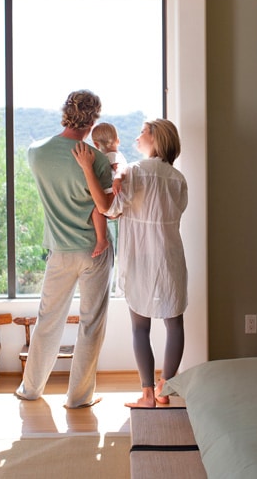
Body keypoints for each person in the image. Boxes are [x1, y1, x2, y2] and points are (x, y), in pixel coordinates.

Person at [72, 119, 188, 408]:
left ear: (156, 138)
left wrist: (88, 169)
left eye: (143, 131)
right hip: (170, 258)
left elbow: (108, 208)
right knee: (175, 325)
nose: (137, 136)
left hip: (139, 259)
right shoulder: (178, 179)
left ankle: (148, 395)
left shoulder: (134, 172)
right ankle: (165, 389)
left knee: (140, 328)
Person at [15, 89, 115, 409]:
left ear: (65, 112)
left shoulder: (35, 152)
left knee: (48, 321)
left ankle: (31, 389)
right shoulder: (96, 160)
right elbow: (104, 207)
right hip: (93, 251)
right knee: (91, 323)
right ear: (93, 119)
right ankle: (79, 397)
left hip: (59, 251)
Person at [89, 122, 128, 258]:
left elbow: (121, 169)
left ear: (95, 144)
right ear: (118, 140)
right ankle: (103, 239)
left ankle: (101, 240)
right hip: (116, 198)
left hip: (113, 196)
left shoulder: (113, 156)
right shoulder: (114, 155)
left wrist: (117, 179)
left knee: (95, 210)